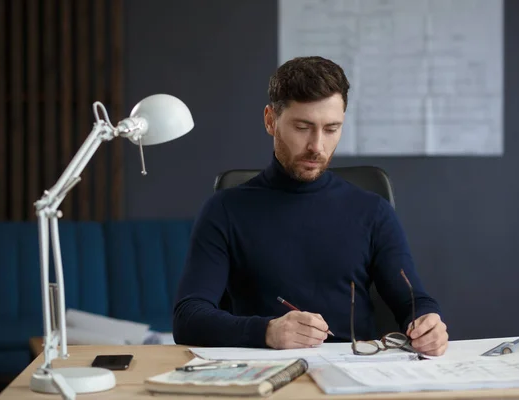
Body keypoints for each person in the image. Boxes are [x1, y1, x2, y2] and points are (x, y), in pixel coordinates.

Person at [173, 56, 448, 356]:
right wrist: (267, 331)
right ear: (270, 120)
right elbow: (188, 318)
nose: (317, 146)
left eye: (331, 129)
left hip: (356, 372)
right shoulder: (225, 210)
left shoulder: (373, 211)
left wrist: (427, 322)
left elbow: (413, 301)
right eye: (303, 127)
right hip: (264, 372)